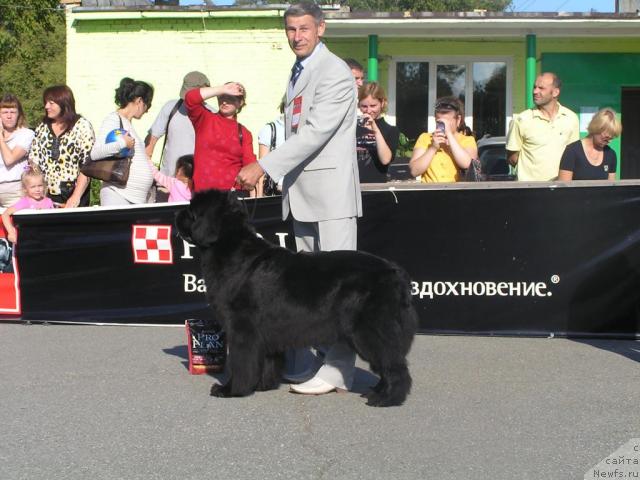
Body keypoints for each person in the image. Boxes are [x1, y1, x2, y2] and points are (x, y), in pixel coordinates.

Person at [235, 1, 362, 396]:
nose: (297, 36)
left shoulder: (335, 72)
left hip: (331, 196)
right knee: (313, 290)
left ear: (321, 28)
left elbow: (315, 133)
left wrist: (264, 166)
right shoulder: (299, 72)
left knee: (340, 286)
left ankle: (340, 368)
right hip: (304, 195)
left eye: (304, 28)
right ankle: (321, 360)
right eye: (291, 29)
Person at [145, 71, 210, 202]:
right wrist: (146, 163)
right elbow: (152, 139)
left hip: (196, 187)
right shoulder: (171, 107)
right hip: (166, 183)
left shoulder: (212, 114)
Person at [90, 78, 154, 206]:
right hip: (118, 195)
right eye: (148, 105)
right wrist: (123, 144)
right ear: (139, 101)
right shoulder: (113, 119)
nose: (147, 110)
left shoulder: (127, 123)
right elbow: (95, 153)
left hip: (133, 199)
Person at [29, 85, 94, 208]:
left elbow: (87, 166)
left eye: (51, 103)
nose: (46, 106)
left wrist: (75, 196)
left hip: (73, 195)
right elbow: (34, 159)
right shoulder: (42, 126)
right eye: (46, 103)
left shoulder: (82, 126)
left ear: (64, 103)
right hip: (46, 196)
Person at [506, 72, 580, 181]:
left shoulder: (571, 118)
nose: (535, 91)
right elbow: (512, 158)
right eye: (534, 87)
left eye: (541, 88)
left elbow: (573, 155)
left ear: (555, 92)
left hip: (561, 189)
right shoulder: (521, 119)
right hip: (529, 190)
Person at [184, 82, 256, 192]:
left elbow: (249, 167)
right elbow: (190, 98)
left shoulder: (244, 133)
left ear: (240, 103)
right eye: (222, 97)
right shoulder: (205, 119)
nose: (225, 102)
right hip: (203, 196)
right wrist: (222, 89)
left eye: (231, 98)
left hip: (231, 196)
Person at [409, 97, 477, 182]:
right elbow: (414, 171)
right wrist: (433, 148)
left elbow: (467, 164)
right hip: (430, 192)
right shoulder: (425, 138)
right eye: (440, 122)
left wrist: (449, 135)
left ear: (458, 120)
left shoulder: (468, 140)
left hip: (456, 192)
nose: (444, 126)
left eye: (448, 122)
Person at [558, 108, 621, 181]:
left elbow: (611, 187)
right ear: (596, 128)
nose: (609, 142)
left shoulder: (610, 154)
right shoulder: (572, 151)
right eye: (606, 138)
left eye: (611, 138)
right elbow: (563, 187)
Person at [356, 82, 399, 183]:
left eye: (373, 105)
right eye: (364, 106)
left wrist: (375, 129)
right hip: (352, 187)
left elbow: (385, 160)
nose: (368, 110)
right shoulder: (352, 128)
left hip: (376, 186)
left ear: (382, 103)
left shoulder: (391, 130)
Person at [2, 166, 54, 244]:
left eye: (40, 185)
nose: (37, 190)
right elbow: (5, 214)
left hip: (46, 239)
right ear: (25, 189)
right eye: (33, 187)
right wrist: (11, 231)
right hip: (28, 241)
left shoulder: (48, 201)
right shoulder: (25, 202)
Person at [0, 94, 34, 208]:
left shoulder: (26, 134)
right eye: (5, 112)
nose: (9, 116)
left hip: (15, 192)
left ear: (19, 114)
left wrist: (0, 138)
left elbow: (9, 159)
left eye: (13, 112)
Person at [256, 100, 285, 197]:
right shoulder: (270, 130)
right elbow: (262, 170)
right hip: (276, 193)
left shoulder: (305, 127)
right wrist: (260, 202)